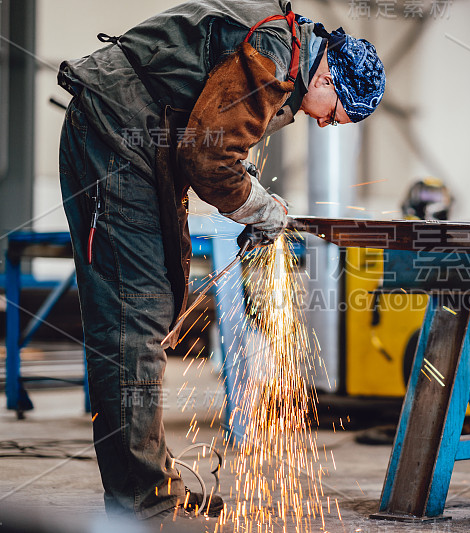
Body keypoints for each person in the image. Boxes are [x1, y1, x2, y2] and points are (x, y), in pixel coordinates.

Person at [56, 0, 384, 522]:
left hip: (141, 137)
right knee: (133, 317)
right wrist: (260, 208)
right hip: (115, 133)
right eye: (335, 112)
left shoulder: (288, 57)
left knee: (157, 301)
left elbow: (217, 132)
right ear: (327, 74)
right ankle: (142, 504)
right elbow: (207, 157)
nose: (325, 125)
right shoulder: (276, 59)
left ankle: (151, 478)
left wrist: (253, 199)